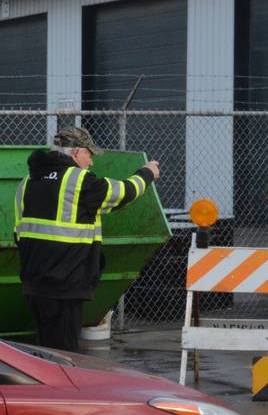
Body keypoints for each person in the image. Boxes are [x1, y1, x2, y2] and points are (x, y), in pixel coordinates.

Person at [14, 126, 160, 352]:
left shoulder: (27, 182)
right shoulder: (79, 181)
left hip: (34, 284)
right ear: (76, 152)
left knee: (46, 350)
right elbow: (123, 192)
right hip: (65, 286)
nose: (90, 162)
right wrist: (147, 172)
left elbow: (19, 234)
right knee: (63, 355)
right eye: (89, 155)